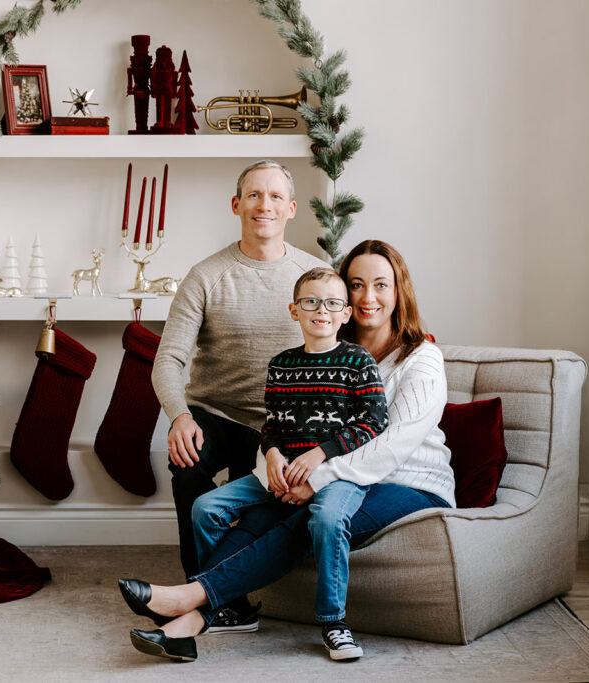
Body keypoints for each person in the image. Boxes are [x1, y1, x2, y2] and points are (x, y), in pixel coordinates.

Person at [121, 240, 456, 663]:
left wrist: (312, 480)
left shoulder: (421, 358)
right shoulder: (326, 351)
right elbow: (282, 423)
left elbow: (392, 446)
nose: (369, 297)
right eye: (357, 284)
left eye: (381, 285)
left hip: (407, 482)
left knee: (305, 519)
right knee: (258, 514)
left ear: (399, 291)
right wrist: (275, 468)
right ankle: (188, 625)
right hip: (336, 477)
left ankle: (188, 604)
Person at [151, 160, 328, 631]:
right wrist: (179, 416)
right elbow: (168, 358)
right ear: (236, 205)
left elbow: (348, 346)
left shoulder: (315, 274)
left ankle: (204, 598)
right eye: (253, 195)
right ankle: (212, 595)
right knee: (187, 459)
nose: (263, 205)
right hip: (218, 414)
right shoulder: (206, 275)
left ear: (291, 208)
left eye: (274, 197)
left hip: (291, 426)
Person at [183, 266, 388, 655]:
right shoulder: (281, 365)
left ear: (345, 313)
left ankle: (334, 623)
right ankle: (231, 606)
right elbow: (272, 424)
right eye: (310, 302)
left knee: (328, 518)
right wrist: (272, 453)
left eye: (332, 303)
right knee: (205, 508)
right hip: (282, 472)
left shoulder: (358, 362)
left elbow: (375, 421)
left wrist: (319, 455)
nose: (321, 310)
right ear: (295, 310)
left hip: (333, 475)